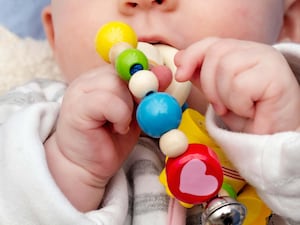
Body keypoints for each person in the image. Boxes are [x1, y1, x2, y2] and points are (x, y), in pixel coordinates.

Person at [0, 0, 300, 225]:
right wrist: (66, 170)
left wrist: (285, 142)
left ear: (289, 22)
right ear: (55, 35)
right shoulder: (27, 122)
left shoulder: (290, 109)